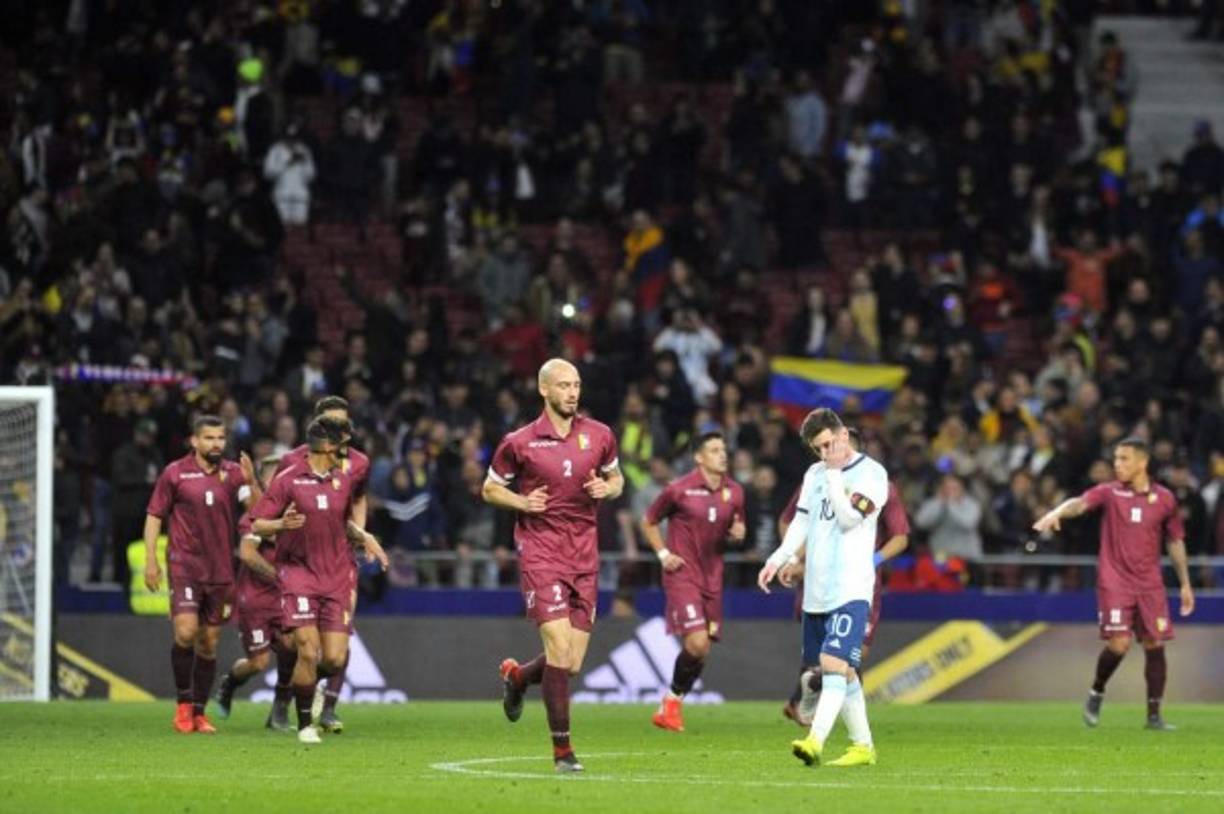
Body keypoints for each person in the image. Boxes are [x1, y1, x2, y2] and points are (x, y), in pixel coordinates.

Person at [483, 358, 623, 773]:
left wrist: (608, 488)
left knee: (571, 664)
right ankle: (563, 752)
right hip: (541, 552)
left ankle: (518, 678)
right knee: (559, 650)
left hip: (585, 555)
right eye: (564, 385)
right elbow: (490, 488)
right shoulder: (520, 441)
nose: (572, 392)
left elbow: (617, 479)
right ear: (544, 389)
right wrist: (522, 502)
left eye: (576, 385)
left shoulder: (600, 435)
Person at [1032, 438, 1195, 730]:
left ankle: (1154, 716)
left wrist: (1185, 583)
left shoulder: (1165, 499)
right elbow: (1080, 503)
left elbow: (1175, 540)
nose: (1117, 464)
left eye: (1124, 459)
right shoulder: (1109, 492)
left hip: (1150, 583)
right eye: (1116, 458)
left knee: (1154, 643)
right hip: (1115, 580)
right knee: (1119, 644)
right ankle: (1097, 691)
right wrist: (1057, 512)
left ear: (1142, 462)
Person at [758, 408, 888, 768]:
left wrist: (833, 475)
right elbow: (802, 522)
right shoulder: (814, 473)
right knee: (842, 671)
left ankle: (815, 741)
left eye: (829, 444)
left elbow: (848, 520)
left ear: (844, 434)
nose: (824, 453)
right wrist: (778, 558)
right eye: (818, 449)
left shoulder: (872, 474)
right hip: (816, 590)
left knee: (833, 664)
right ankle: (863, 747)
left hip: (851, 587)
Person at [250, 417, 387, 744]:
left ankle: (307, 686)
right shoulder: (288, 479)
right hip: (299, 574)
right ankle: (304, 725)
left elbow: (343, 524)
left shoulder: (343, 481)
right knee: (308, 651)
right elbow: (257, 524)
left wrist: (365, 537)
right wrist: (281, 524)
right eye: (343, 444)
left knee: (334, 659)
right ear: (327, 445)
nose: (348, 451)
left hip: (336, 576)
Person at [777, 429, 910, 727]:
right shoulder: (816, 480)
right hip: (820, 580)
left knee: (851, 655)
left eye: (833, 447)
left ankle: (805, 698)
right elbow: (789, 522)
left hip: (859, 583)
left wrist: (874, 559)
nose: (827, 453)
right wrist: (798, 558)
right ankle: (842, 726)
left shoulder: (878, 484)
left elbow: (900, 537)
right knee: (830, 654)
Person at [143, 416, 257, 734]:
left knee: (208, 643)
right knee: (185, 632)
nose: (216, 444)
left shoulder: (234, 473)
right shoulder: (175, 473)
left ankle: (199, 712)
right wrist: (151, 560)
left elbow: (256, 512)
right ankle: (182, 706)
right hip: (185, 566)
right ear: (194, 441)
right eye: (209, 438)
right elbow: (154, 516)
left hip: (221, 570)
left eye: (220, 438)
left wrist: (252, 482)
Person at [273, 395, 371, 732]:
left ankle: (327, 706)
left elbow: (359, 499)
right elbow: (274, 504)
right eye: (331, 422)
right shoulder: (292, 461)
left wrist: (360, 535)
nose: (339, 429)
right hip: (302, 561)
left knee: (337, 640)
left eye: (343, 422)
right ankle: (283, 697)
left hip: (340, 560)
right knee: (295, 644)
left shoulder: (359, 462)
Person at [641, 431, 746, 732]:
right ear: (699, 457)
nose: (722, 455)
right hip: (682, 575)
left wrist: (738, 534)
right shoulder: (679, 489)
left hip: (713, 578)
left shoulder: (735, 491)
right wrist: (663, 554)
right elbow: (648, 521)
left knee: (702, 650)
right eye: (714, 450)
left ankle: (671, 703)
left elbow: (738, 527)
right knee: (697, 643)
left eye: (723, 449)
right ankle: (672, 702)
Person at [212, 456, 294, 730]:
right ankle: (230, 683)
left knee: (293, 648)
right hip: (256, 599)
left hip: (285, 599)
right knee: (259, 662)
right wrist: (281, 578)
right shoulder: (254, 516)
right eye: (274, 477)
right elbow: (248, 555)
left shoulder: (297, 514)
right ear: (263, 482)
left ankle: (279, 711)